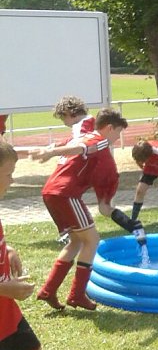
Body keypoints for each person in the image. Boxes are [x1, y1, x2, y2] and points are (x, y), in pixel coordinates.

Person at [29, 108, 145, 311]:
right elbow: (80, 148)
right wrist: (50, 153)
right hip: (66, 194)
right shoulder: (99, 140)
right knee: (92, 240)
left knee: (76, 242)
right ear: (109, 128)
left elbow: (72, 146)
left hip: (51, 192)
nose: (117, 138)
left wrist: (45, 150)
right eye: (118, 132)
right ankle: (76, 295)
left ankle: (48, 291)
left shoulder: (86, 135)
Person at [0, 142, 42, 350]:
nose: (12, 179)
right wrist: (5, 289)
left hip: (6, 310)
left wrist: (9, 249)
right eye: (9, 173)